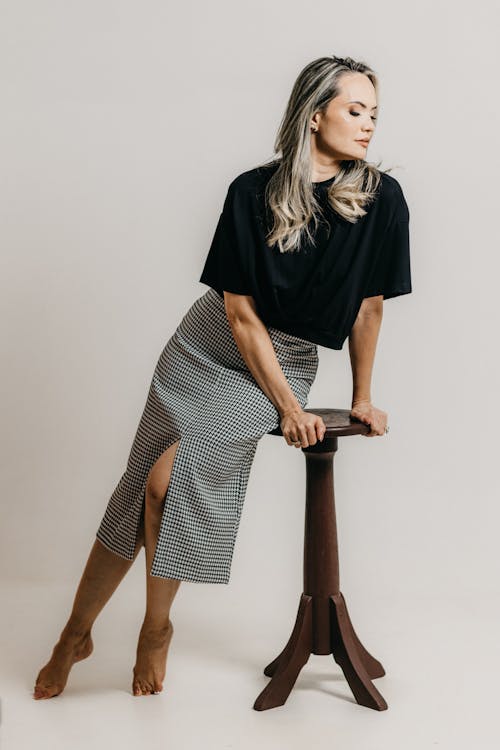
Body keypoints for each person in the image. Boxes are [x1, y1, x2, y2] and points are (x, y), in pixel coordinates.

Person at [33, 54, 412, 700]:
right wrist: (290, 410)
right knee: (136, 488)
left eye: (375, 112)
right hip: (206, 346)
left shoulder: (381, 200)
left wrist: (361, 396)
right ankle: (76, 631)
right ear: (314, 114)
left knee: (167, 481)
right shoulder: (250, 192)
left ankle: (156, 629)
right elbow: (238, 314)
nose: (369, 123)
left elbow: (370, 308)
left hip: (283, 360)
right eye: (356, 109)